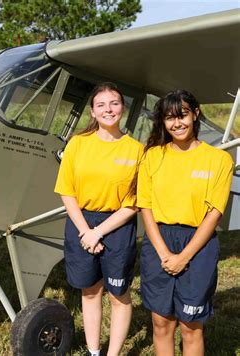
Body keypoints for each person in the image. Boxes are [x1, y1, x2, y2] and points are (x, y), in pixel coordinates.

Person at [136, 90, 233, 355]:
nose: (177, 123)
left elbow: (214, 214)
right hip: (159, 241)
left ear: (196, 114)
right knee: (161, 322)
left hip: (198, 243)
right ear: (163, 122)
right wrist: (164, 252)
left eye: (183, 115)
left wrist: (184, 256)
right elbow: (145, 206)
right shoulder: (151, 157)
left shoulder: (219, 160)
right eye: (169, 118)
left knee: (191, 326)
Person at [54, 82, 143, 356]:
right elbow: (66, 192)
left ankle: (112, 354)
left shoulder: (136, 150)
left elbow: (134, 203)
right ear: (92, 111)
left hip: (118, 224)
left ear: (123, 108)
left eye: (114, 103)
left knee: (119, 294)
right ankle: (93, 352)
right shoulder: (77, 144)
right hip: (82, 222)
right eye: (101, 105)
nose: (108, 109)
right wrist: (86, 232)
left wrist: (99, 232)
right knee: (90, 292)